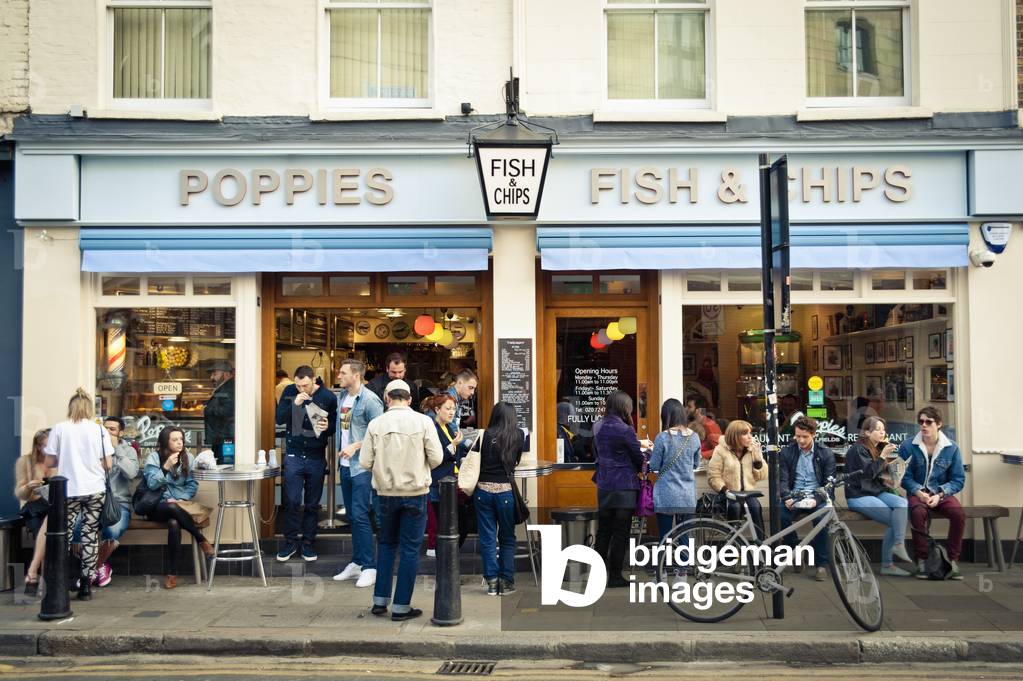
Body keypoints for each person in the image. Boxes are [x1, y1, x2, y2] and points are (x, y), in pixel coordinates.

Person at [359, 379, 443, 621]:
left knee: (386, 545)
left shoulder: (376, 424)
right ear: (410, 399)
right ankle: (401, 606)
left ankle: (380, 601)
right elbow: (437, 458)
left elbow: (364, 461)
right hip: (415, 493)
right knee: (410, 550)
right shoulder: (423, 421)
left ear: (387, 399)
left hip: (385, 494)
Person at [43, 388, 114, 601]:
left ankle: (60, 580)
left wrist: (66, 458)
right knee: (90, 534)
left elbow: (49, 462)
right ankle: (85, 585)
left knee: (62, 534)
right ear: (89, 408)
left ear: (70, 407)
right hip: (95, 489)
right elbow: (108, 464)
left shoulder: (60, 428)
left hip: (68, 490)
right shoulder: (99, 430)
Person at [275, 365, 338, 563]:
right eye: (298, 385)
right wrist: (294, 404)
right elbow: (279, 419)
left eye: (305, 385)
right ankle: (290, 542)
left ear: (314, 380)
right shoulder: (289, 391)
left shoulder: (328, 397)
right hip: (293, 454)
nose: (302, 389)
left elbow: (333, 427)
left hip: (316, 455)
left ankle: (308, 543)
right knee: (292, 501)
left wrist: (328, 426)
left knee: (312, 504)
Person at [332, 358, 384, 587]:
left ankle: (370, 567)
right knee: (353, 515)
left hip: (362, 467)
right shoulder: (342, 397)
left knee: (361, 515)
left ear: (356, 375)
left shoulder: (370, 400)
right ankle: (357, 562)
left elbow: (380, 434)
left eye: (343, 373)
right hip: (345, 466)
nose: (339, 376)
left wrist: (356, 446)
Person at [142, 427, 213, 589]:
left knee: (174, 523)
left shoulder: (188, 457)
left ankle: (172, 575)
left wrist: (181, 499)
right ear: (165, 442)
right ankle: (201, 540)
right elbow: (152, 484)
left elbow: (192, 485)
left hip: (179, 507)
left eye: (181, 439)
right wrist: (166, 467)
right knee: (171, 507)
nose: (180, 442)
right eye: (175, 440)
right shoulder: (154, 458)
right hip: (156, 507)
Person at [899, 406, 966, 580]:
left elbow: (958, 480)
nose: (924, 425)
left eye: (929, 422)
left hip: (941, 494)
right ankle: (922, 560)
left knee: (958, 514)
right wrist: (919, 492)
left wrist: (940, 494)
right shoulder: (908, 446)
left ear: (939, 424)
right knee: (917, 512)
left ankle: (952, 560)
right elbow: (904, 477)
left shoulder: (952, 448)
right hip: (918, 493)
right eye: (921, 421)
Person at [592, 391, 650, 588]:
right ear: (624, 407)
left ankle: (598, 574)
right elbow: (638, 458)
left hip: (604, 484)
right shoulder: (625, 430)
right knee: (621, 532)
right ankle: (615, 576)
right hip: (624, 486)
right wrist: (645, 459)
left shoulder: (598, 426)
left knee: (604, 531)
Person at [845, 416, 913, 577]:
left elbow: (876, 475)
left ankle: (898, 544)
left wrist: (890, 477)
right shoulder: (858, 449)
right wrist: (883, 456)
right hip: (858, 495)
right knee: (894, 521)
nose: (882, 432)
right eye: (878, 429)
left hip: (876, 491)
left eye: (883, 429)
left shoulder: (876, 448)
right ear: (867, 432)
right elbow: (867, 474)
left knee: (902, 503)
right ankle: (888, 564)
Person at [81, 417, 140, 588]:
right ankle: (100, 567)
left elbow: (131, 473)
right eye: (105, 428)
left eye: (112, 429)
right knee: (77, 529)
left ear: (120, 433)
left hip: (118, 503)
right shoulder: (92, 450)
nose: (107, 432)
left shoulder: (128, 451)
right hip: (93, 502)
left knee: (112, 530)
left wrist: (116, 450)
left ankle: (90, 571)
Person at [474, 402, 526, 596]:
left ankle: (492, 582)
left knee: (488, 538)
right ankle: (506, 582)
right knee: (507, 538)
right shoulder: (518, 435)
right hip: (505, 492)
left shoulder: (483, 435)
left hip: (482, 491)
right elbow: (516, 461)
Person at [778, 416, 837, 581]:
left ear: (813, 435)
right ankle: (796, 553)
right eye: (798, 436)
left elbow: (829, 484)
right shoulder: (787, 451)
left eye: (805, 436)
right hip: (795, 495)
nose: (801, 440)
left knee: (821, 519)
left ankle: (821, 564)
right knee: (781, 515)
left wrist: (816, 500)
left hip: (818, 495)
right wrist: (786, 497)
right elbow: (782, 480)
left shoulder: (826, 453)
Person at [422, 393, 470, 558]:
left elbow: (454, 453)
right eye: (448, 408)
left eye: (453, 409)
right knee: (441, 521)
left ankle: (449, 552)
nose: (451, 412)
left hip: (450, 481)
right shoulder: (433, 429)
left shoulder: (448, 427)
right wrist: (453, 445)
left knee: (458, 520)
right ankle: (441, 552)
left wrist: (462, 455)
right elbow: (434, 458)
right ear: (437, 410)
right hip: (437, 482)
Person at [648, 399, 701, 541]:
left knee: (665, 537)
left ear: (665, 415)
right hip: (687, 495)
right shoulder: (694, 437)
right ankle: (683, 557)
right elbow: (696, 464)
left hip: (666, 494)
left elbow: (654, 466)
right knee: (684, 536)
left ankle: (665, 556)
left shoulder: (662, 437)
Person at [707, 420, 767, 540]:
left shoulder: (752, 449)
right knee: (735, 508)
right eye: (745, 434)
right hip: (728, 493)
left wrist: (758, 461)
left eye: (750, 433)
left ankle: (761, 544)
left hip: (747, 493)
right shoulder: (721, 450)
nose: (750, 437)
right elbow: (713, 475)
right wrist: (725, 490)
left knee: (755, 507)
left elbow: (761, 476)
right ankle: (733, 543)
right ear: (735, 436)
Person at [15, 429, 51, 594]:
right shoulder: (26, 461)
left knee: (51, 534)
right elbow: (20, 493)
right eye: (45, 446)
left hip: (53, 506)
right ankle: (41, 577)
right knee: (42, 534)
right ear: (37, 446)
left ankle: (35, 574)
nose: (49, 449)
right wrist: (28, 486)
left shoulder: (58, 460)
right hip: (35, 506)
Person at [204, 359, 236, 463]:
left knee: (225, 466)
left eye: (215, 374)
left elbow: (228, 410)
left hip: (225, 436)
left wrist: (207, 409)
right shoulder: (224, 387)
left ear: (226, 374)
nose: (211, 378)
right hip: (221, 436)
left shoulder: (229, 388)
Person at [686, 396, 722, 460]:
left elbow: (721, 450)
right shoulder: (689, 423)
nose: (686, 409)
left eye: (689, 407)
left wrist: (699, 455)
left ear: (698, 410)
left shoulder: (710, 426)